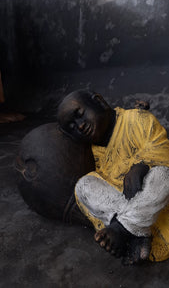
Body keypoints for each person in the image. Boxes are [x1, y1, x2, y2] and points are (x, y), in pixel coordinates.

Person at [57, 89, 169, 264]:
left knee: (162, 175)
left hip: (155, 200)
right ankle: (135, 230)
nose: (80, 126)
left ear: (99, 102)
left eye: (80, 115)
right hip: (127, 203)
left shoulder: (137, 119)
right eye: (72, 128)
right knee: (84, 186)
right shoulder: (91, 151)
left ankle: (124, 229)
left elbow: (161, 145)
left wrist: (142, 164)